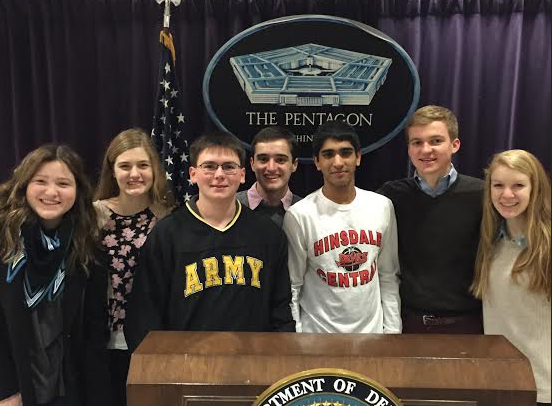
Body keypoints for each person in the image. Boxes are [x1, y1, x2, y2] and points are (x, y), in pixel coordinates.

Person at [125, 131, 295, 351]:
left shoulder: (268, 235)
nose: (219, 175)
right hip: (184, 369)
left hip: (254, 367)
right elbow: (144, 314)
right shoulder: (167, 235)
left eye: (229, 166)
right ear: (193, 174)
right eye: (209, 166)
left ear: (243, 174)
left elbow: (281, 312)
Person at [0, 145, 108, 406]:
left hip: (66, 387)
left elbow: (94, 331)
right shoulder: (5, 241)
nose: (51, 192)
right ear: (24, 185)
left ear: (78, 191)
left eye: (63, 183)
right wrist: (6, 390)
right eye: (40, 181)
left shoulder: (88, 249)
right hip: (15, 386)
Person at [282, 120, 401, 333]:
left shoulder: (381, 206)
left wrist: (392, 333)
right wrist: (297, 339)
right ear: (317, 162)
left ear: (358, 157)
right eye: (328, 155)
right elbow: (293, 286)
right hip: (317, 338)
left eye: (345, 153)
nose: (338, 162)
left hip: (372, 337)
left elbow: (388, 276)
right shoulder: (300, 215)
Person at [378, 105, 483, 333]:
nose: (426, 150)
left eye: (435, 141)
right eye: (417, 142)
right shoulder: (390, 196)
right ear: (409, 149)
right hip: (409, 325)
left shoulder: (482, 195)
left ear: (454, 145)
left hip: (469, 326)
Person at [93, 128, 172, 406]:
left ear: (154, 170)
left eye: (142, 165)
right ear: (112, 171)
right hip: (98, 339)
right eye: (124, 166)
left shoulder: (168, 218)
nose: (134, 174)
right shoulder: (93, 215)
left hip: (151, 339)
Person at [471, 150, 551, 406]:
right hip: (501, 384)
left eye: (518, 185)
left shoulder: (546, 248)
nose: (506, 195)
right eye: (498, 185)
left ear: (535, 188)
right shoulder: (492, 244)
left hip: (544, 388)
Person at [236, 126, 301, 227]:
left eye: (280, 160)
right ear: (252, 164)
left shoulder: (307, 212)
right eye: (263, 159)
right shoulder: (229, 207)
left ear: (294, 165)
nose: (271, 168)